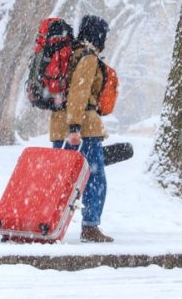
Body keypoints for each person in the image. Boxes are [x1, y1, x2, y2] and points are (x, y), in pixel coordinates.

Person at [50, 15, 114, 243]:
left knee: (62, 179)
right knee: (95, 178)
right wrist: (75, 126)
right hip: (82, 129)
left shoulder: (70, 54)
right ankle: (90, 226)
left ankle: (48, 221)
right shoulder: (87, 58)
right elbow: (78, 92)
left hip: (60, 125)